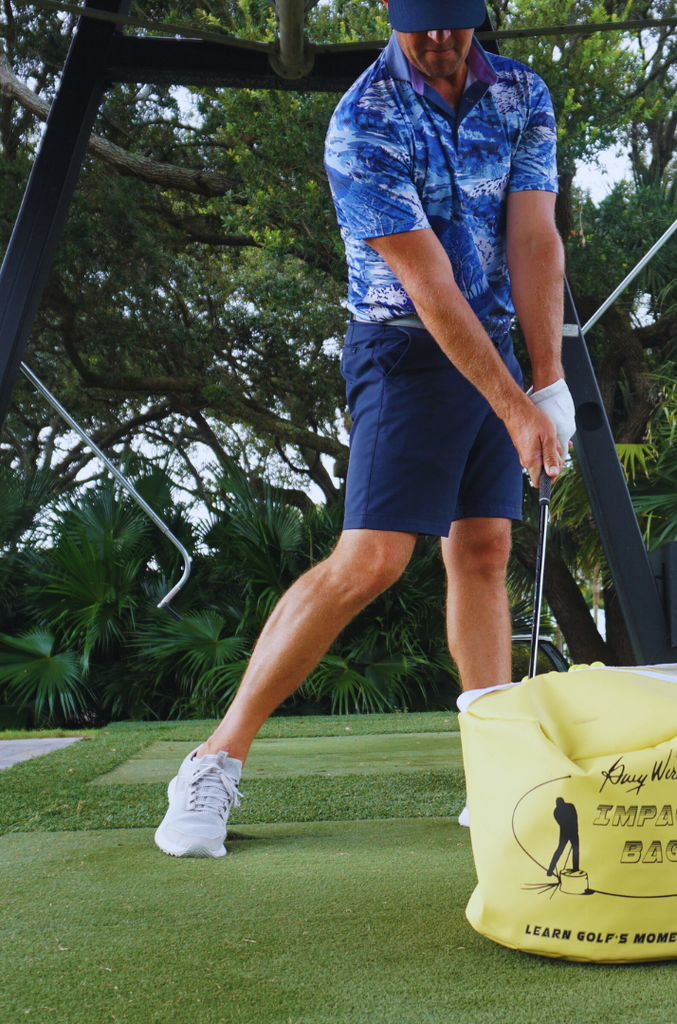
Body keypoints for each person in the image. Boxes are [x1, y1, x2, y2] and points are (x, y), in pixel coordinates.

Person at [154, 0, 575, 858]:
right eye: (418, 24)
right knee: (372, 559)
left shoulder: (523, 94)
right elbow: (430, 288)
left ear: (476, 15)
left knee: (485, 549)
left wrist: (550, 378)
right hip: (404, 350)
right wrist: (515, 405)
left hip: (493, 345)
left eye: (451, 21)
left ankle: (491, 775)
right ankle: (213, 760)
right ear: (392, 18)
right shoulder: (364, 119)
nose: (436, 41)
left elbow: (534, 238)